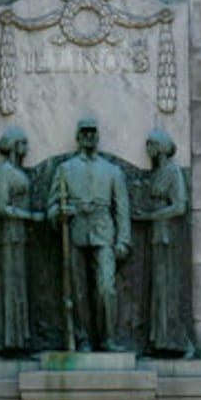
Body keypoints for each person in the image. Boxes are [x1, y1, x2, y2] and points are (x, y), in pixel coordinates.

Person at [47, 118, 131, 351]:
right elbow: (51, 206)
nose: (89, 137)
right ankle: (82, 338)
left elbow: (122, 209)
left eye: (92, 132)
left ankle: (108, 338)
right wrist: (58, 213)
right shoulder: (64, 169)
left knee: (106, 287)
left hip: (104, 232)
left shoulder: (112, 171)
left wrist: (123, 239)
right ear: (78, 136)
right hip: (75, 232)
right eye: (84, 132)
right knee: (78, 290)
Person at [133, 128, 193, 357]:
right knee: (157, 288)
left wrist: (149, 216)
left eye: (150, 144)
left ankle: (177, 342)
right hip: (155, 235)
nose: (147, 149)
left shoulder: (173, 172)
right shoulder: (157, 173)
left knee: (167, 287)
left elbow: (179, 206)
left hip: (167, 236)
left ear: (160, 147)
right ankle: (159, 341)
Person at [0, 126, 44, 357]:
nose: (26, 147)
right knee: (11, 287)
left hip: (21, 236)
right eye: (23, 143)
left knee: (19, 287)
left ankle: (20, 341)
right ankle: (8, 342)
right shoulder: (4, 172)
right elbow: (0, 207)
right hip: (9, 235)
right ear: (13, 146)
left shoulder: (17, 171)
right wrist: (30, 216)